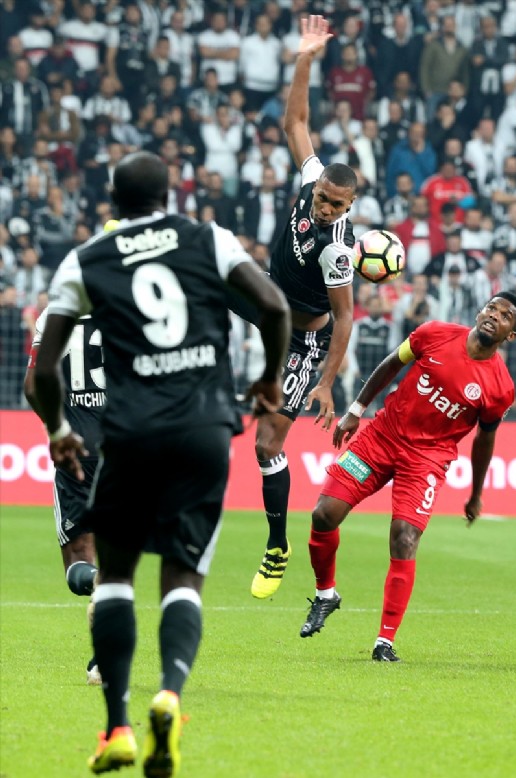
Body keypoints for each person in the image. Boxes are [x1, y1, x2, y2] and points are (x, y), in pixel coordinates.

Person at [33, 151, 290, 775]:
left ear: (112, 200)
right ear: (169, 193)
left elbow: (41, 371)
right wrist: (267, 383)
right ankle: (170, 691)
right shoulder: (209, 238)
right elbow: (276, 308)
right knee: (184, 576)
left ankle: (118, 725)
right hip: (204, 429)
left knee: (116, 577)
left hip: (130, 432)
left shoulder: (85, 261)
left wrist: (60, 429)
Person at [299, 291, 516, 662]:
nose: (494, 316)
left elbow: (485, 440)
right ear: (479, 311)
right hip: (381, 438)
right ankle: (326, 595)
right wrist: (356, 409)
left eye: (505, 316)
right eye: (491, 307)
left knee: (404, 538)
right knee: (324, 514)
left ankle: (384, 642)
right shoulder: (434, 333)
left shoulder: (500, 388)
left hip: (426, 461)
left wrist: (476, 493)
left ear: (510, 335)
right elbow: (392, 363)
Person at [242, 15, 357, 600]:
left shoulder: (339, 250)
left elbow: (344, 318)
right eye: (324, 200)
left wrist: (328, 383)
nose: (327, 210)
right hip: (265, 300)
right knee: (203, 267)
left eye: (339, 205)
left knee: (267, 446)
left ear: (351, 204)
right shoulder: (311, 175)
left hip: (300, 337)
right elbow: (296, 122)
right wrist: (306, 57)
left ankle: (277, 544)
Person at [23, 305, 105, 686]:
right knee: (120, 555)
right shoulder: (128, 303)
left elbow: (32, 385)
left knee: (78, 563)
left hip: (76, 450)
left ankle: (99, 583)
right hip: (125, 447)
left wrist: (58, 430)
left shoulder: (53, 313)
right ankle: (102, 657)